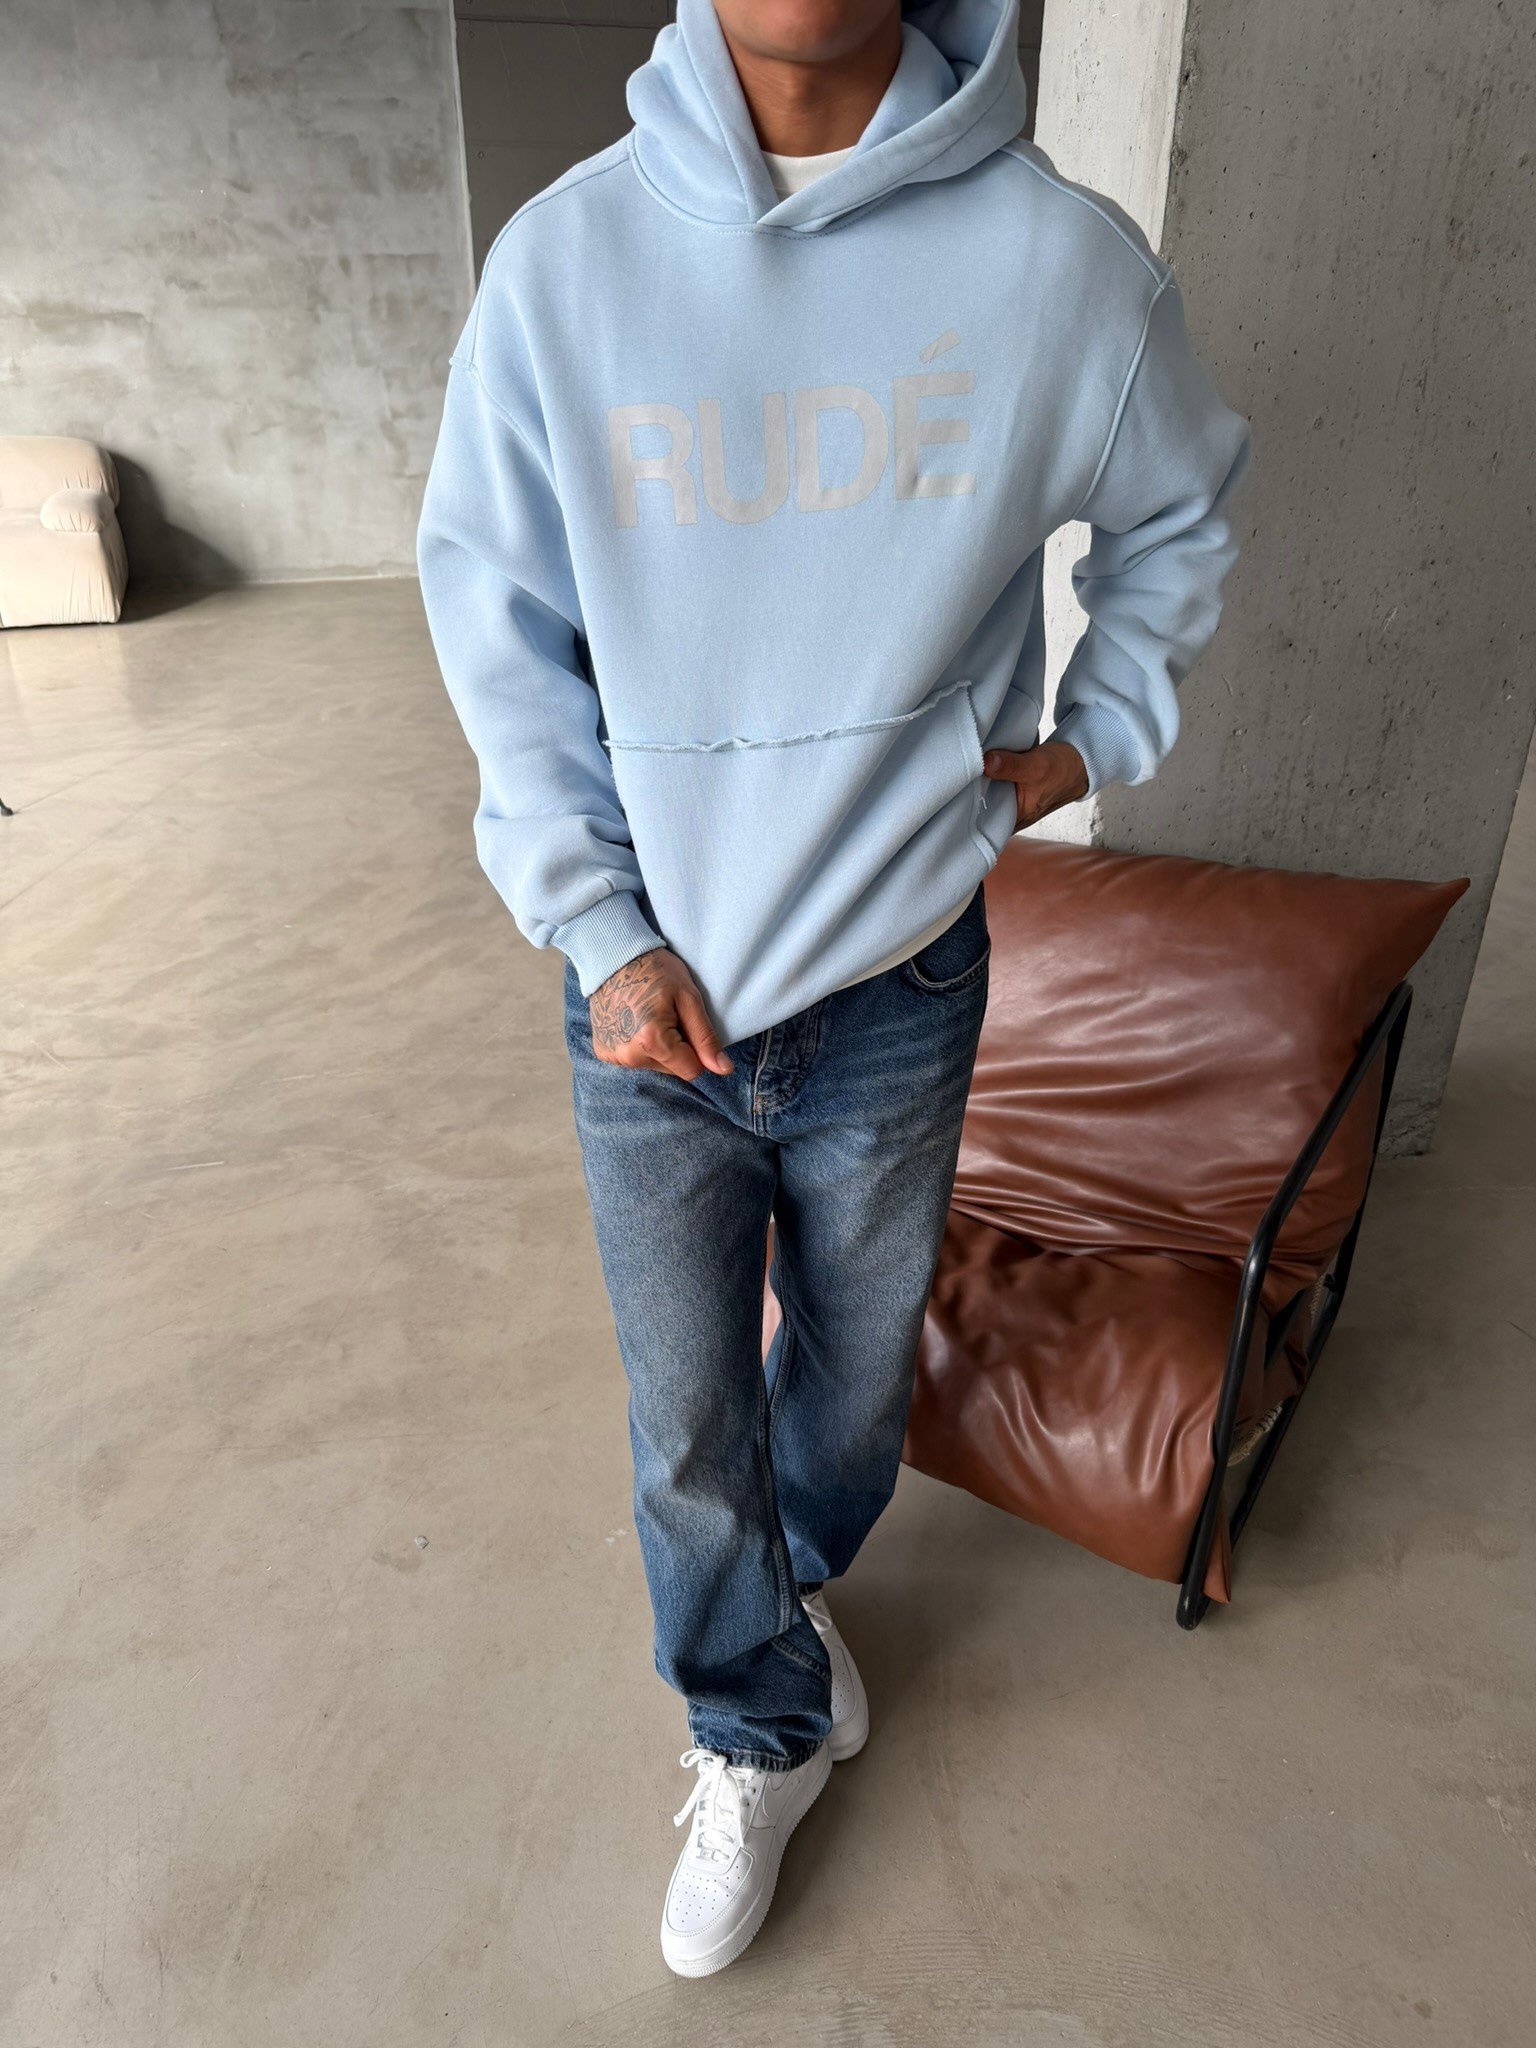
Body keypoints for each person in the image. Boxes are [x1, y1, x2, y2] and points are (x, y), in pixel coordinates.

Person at [417, 0, 1250, 1978]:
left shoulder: (1057, 265)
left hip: (894, 980)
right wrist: (595, 925)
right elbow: (501, 631)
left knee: (857, 1387)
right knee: (686, 1414)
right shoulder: (567, 265)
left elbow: (1180, 510)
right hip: (650, 999)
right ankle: (755, 1720)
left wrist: (1086, 736)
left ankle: (783, 1602)